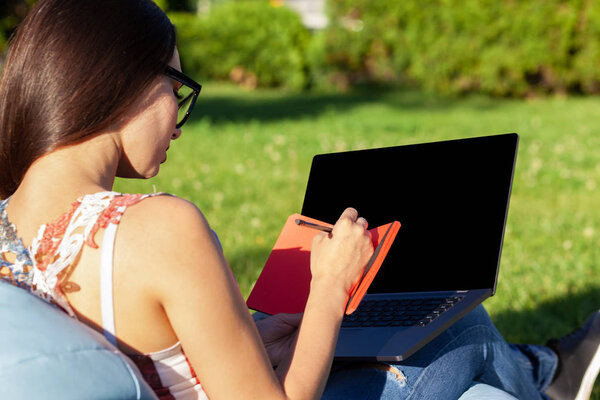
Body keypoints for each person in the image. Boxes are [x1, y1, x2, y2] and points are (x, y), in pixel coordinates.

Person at [0, 0, 598, 399]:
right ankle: (548, 374)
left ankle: (546, 371)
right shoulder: (158, 228)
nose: (179, 123)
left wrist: (252, 339)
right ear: (121, 79)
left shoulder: (9, 223)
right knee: (459, 332)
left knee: (440, 329)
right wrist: (330, 291)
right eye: (176, 88)